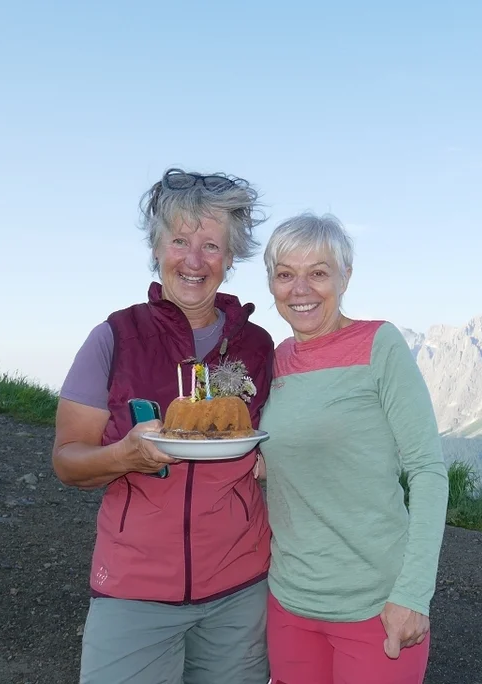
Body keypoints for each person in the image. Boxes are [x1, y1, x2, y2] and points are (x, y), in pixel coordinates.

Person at [52, 168, 274, 683]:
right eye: (179, 241)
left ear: (230, 258)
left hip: (240, 590)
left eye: (211, 245)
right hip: (134, 591)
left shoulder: (257, 347)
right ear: (157, 249)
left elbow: (284, 442)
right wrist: (124, 457)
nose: (194, 260)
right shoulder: (115, 337)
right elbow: (67, 461)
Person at [257, 212, 449, 683]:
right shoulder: (275, 360)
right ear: (272, 284)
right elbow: (282, 453)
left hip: (376, 605)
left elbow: (427, 470)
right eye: (286, 274)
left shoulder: (379, 345)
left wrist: (413, 594)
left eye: (318, 272)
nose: (300, 289)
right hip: (289, 601)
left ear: (346, 277)